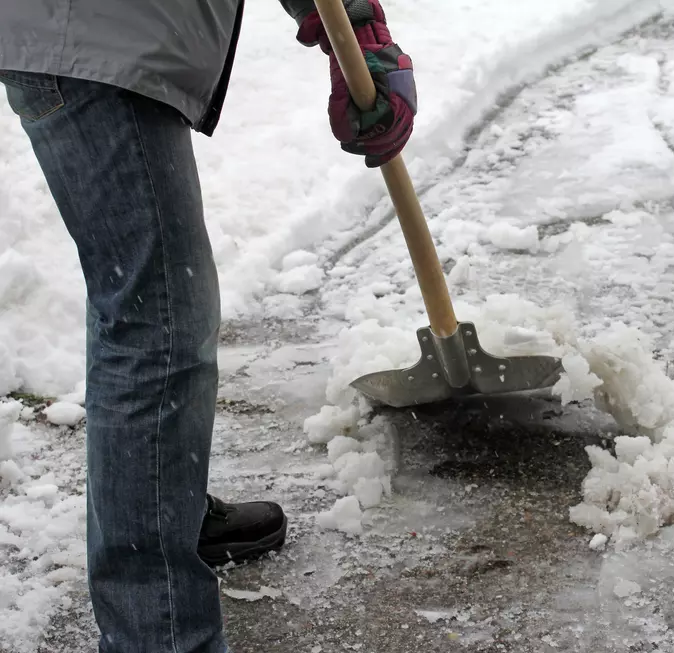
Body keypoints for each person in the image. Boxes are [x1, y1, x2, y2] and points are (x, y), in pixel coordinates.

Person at [0, 0, 417, 651]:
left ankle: (164, 509)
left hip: (86, 30)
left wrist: (352, 30)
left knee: (142, 307)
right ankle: (158, 632)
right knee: (154, 322)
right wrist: (360, 27)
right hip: (91, 31)